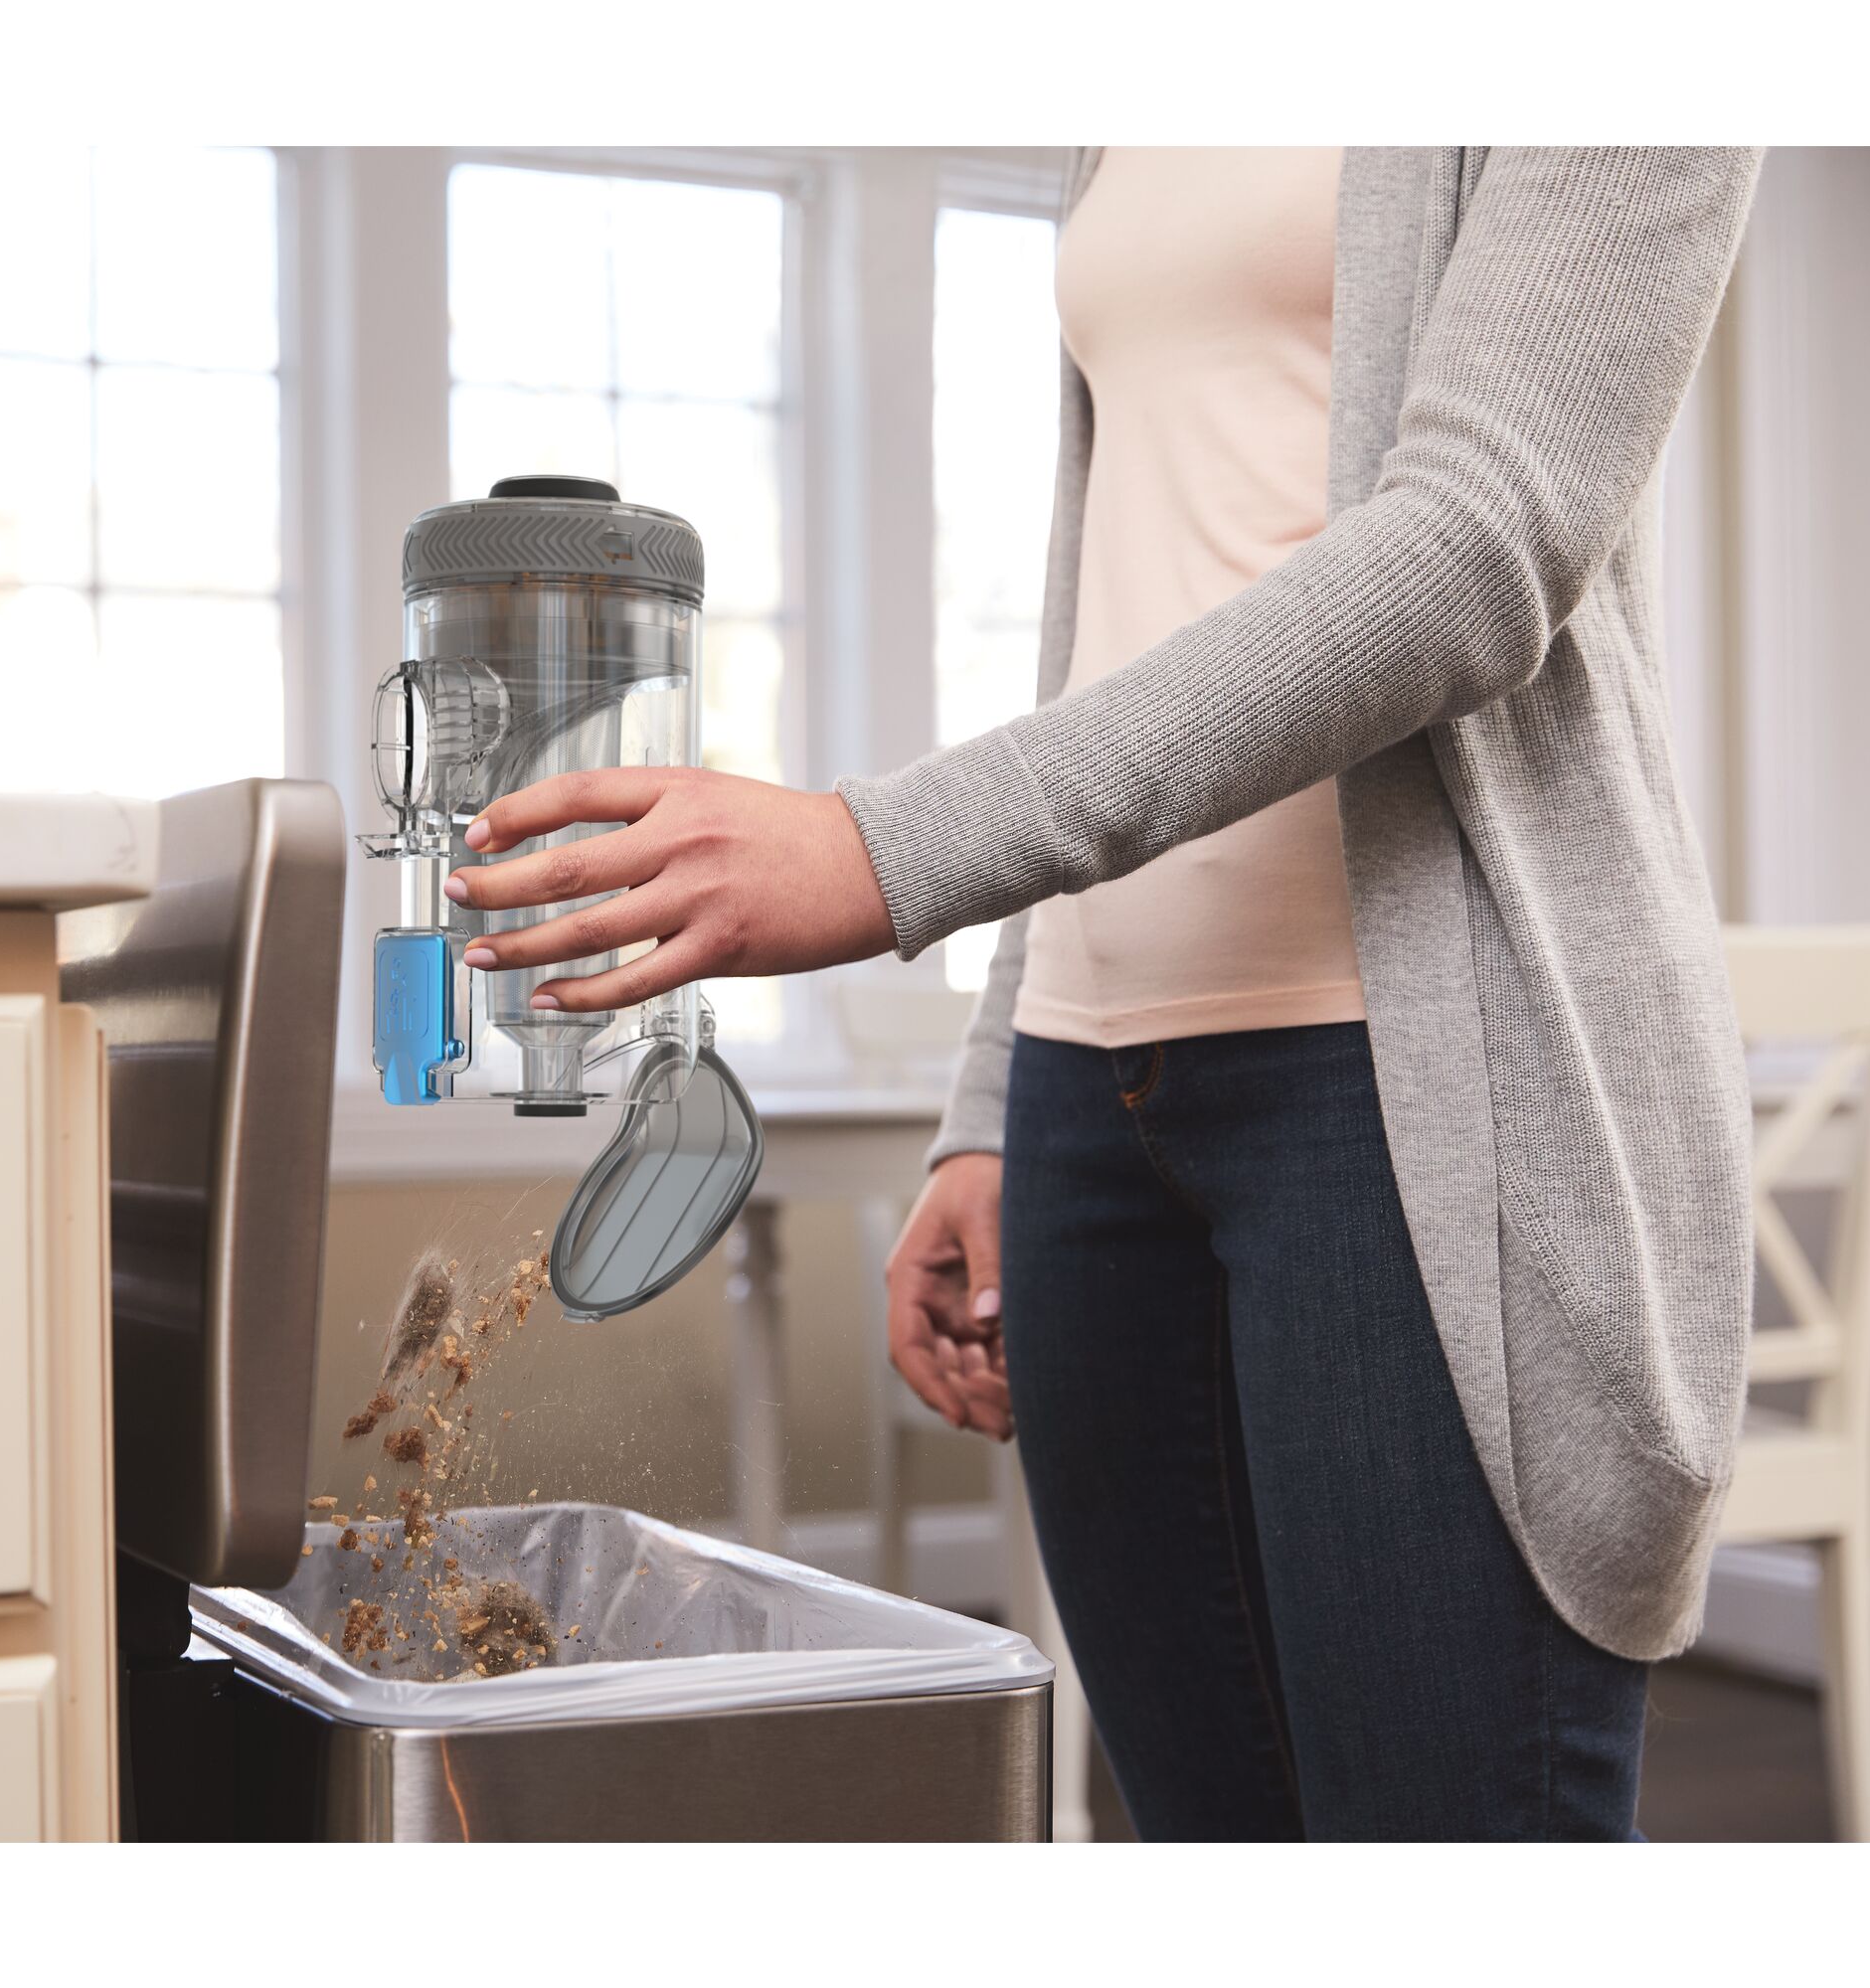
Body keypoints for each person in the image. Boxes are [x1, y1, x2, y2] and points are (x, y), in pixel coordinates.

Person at [440, 146, 1764, 1840]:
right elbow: (1111, 614)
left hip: (1413, 1101)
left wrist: (881, 850)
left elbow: (1477, 546)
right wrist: (999, 1095)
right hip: (1093, 1096)